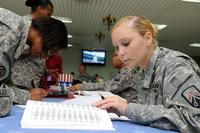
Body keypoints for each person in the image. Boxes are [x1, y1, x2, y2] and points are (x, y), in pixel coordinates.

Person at [94, 16, 200, 132]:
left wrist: (128, 109)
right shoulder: (141, 70)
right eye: (117, 47)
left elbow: (195, 120)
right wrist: (123, 109)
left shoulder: (176, 66)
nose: (120, 53)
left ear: (148, 39)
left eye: (126, 43)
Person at [0, 8, 68, 117]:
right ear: (45, 34)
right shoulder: (10, 35)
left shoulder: (19, 32)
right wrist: (27, 96)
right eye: (49, 50)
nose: (45, 56)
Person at [11, 0, 54, 89]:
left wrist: (47, 71)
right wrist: (33, 48)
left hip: (32, 81)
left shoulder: (40, 28)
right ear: (39, 9)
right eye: (48, 14)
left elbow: (37, 59)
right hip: (19, 80)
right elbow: (11, 48)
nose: (49, 18)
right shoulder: (22, 23)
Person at [69, 50, 138, 103]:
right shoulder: (124, 71)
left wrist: (82, 86)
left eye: (115, 55)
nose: (113, 58)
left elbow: (107, 87)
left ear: (124, 57)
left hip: (128, 112)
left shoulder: (128, 72)